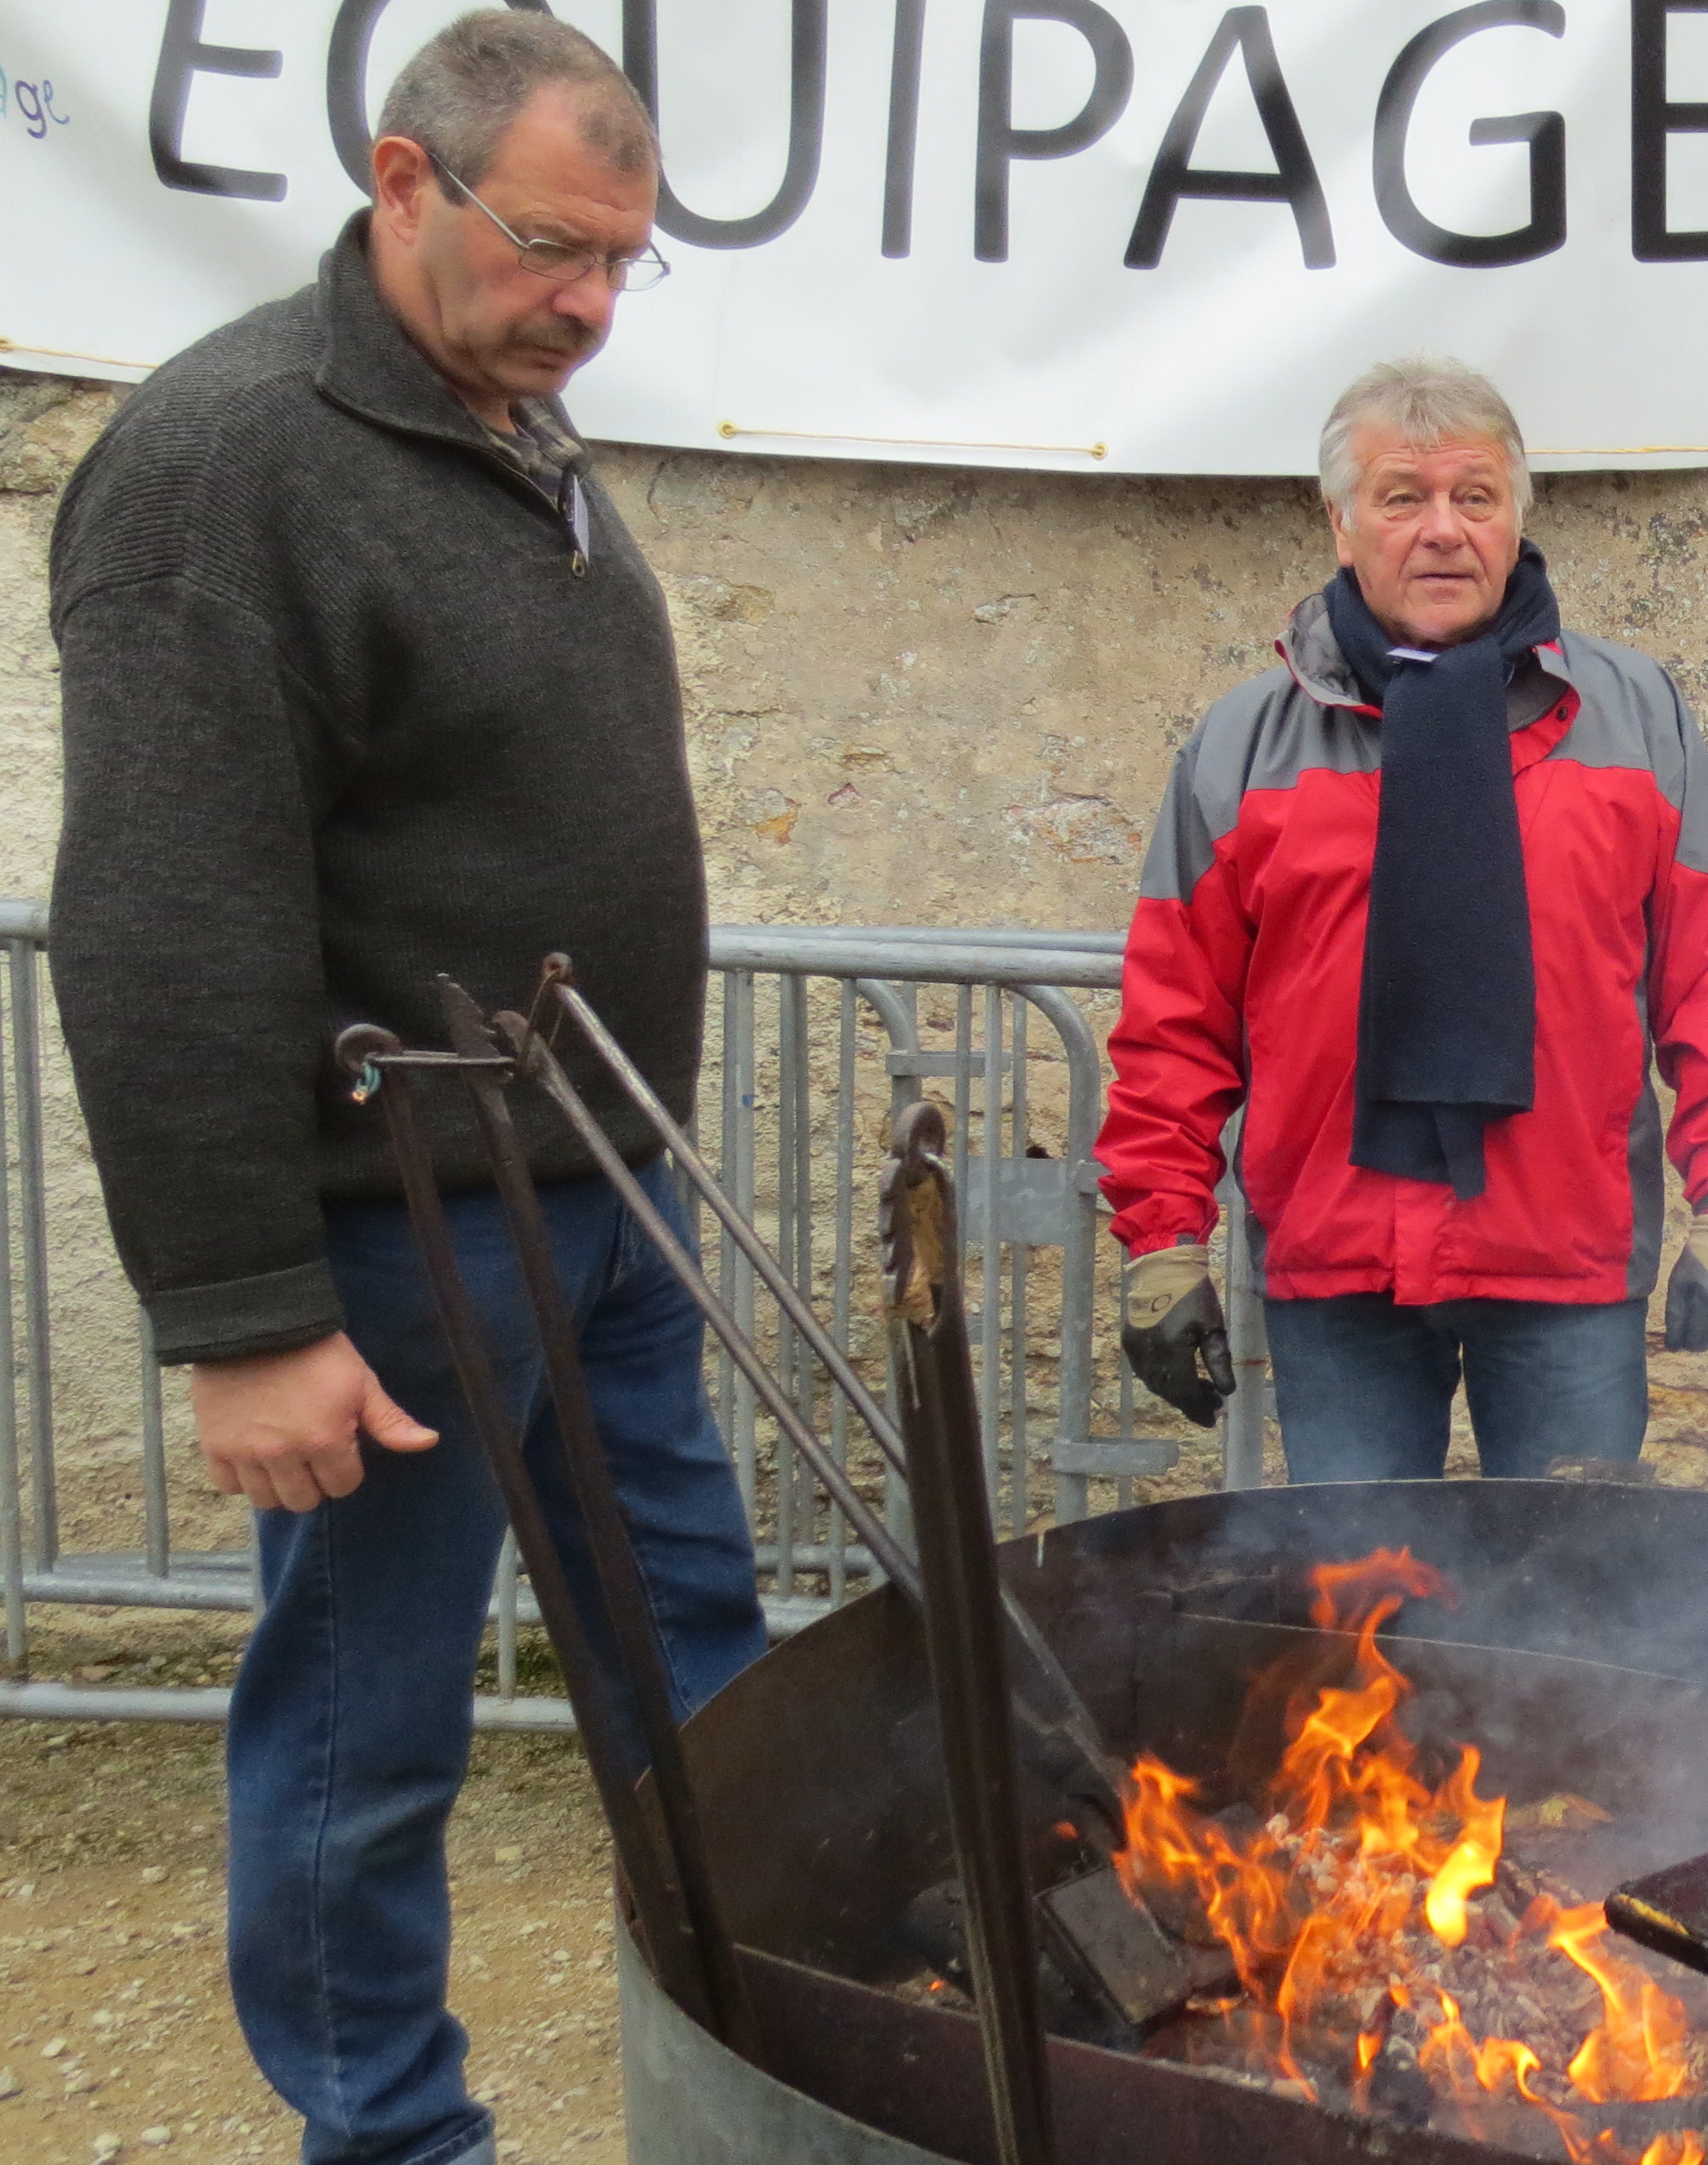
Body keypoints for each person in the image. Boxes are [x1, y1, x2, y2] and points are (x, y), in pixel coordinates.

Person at [44, 16, 765, 2165]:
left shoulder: (515, 431)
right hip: (398, 1249)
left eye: (627, 264)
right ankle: (387, 2136)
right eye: (556, 248)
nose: (590, 304)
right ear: (402, 178)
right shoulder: (222, 467)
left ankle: (761, 2048)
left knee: (708, 1680)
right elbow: (165, 916)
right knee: (370, 1740)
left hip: (597, 1212)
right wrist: (246, 1318)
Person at [1099, 357, 1708, 1477]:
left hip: (1565, 1256)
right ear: (1340, 523)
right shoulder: (1240, 750)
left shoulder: (1635, 720)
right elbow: (1173, 1018)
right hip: (1337, 1266)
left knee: (1569, 1609)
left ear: (1517, 518)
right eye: (1401, 498)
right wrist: (1163, 1236)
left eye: (1475, 497)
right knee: (1362, 1613)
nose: (1441, 530)